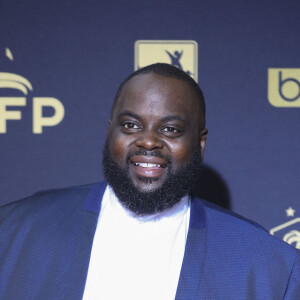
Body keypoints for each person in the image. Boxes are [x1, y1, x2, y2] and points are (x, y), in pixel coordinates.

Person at [0, 63, 299, 300]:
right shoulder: (14, 231)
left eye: (170, 129)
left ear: (200, 143)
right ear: (110, 133)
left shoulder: (268, 265)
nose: (148, 141)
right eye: (131, 125)